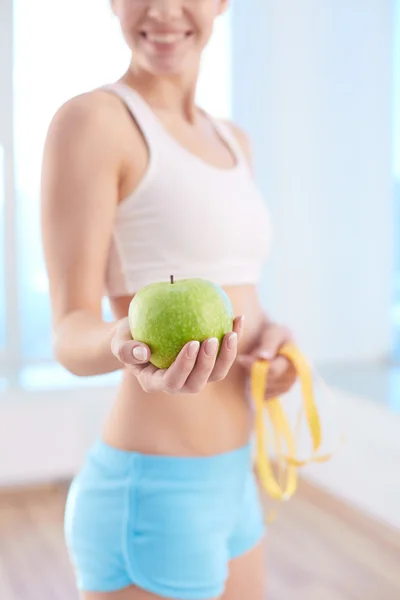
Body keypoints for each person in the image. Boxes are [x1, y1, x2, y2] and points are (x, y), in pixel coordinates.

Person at [40, 1, 297, 599]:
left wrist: (269, 344)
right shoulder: (94, 122)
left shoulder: (234, 140)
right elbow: (69, 331)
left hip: (235, 477)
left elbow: (239, 294)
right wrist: (123, 343)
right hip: (153, 494)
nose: (162, 10)